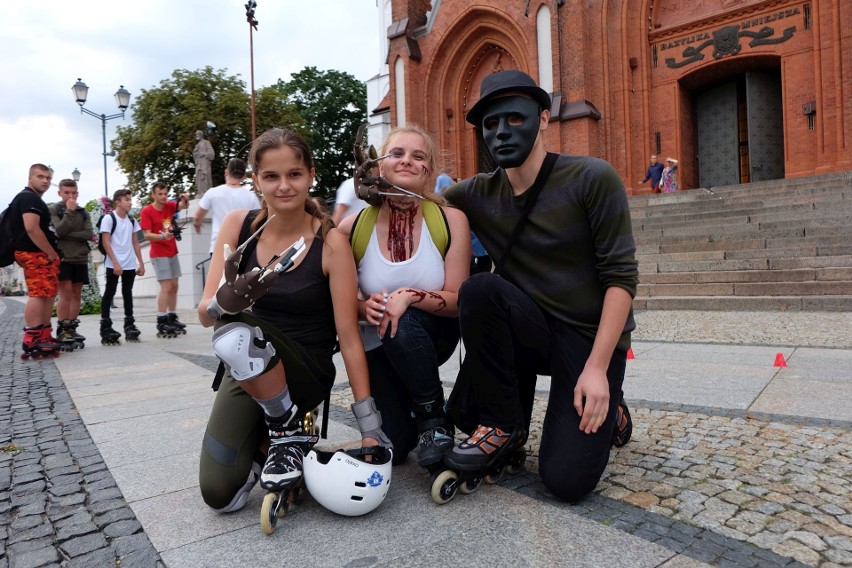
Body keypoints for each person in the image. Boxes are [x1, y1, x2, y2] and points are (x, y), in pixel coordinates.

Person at [440, 70, 638, 503]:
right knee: (479, 290)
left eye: (515, 119)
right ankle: (503, 427)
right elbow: (421, 203)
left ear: (544, 118)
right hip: (530, 327)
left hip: (588, 337)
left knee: (566, 481)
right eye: (490, 125)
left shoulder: (591, 178)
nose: (501, 132)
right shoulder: (476, 192)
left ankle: (615, 411)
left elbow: (621, 279)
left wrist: (598, 369)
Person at [196, 127, 390, 513]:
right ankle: (275, 438)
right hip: (248, 362)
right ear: (256, 180)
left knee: (236, 329)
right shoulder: (238, 226)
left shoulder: (331, 242)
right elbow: (205, 315)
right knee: (222, 496)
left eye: (294, 175)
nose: (283, 186)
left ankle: (285, 432)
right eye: (271, 176)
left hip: (305, 371)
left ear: (311, 175)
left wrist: (370, 427)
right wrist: (223, 299)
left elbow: (349, 339)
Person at [339, 125, 470, 467]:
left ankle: (434, 420)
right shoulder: (351, 228)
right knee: (396, 444)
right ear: (379, 166)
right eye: (396, 154)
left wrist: (409, 295)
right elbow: (337, 301)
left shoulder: (450, 219)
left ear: (430, 169)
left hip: (432, 334)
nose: (407, 161)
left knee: (403, 318)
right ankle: (411, 412)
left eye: (418, 156)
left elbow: (457, 299)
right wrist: (362, 306)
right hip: (378, 346)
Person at [10, 164, 62, 357]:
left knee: (47, 294)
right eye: (40, 177)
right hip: (34, 253)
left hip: (40, 254)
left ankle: (44, 334)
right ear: (30, 178)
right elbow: (32, 228)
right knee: (38, 293)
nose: (45, 181)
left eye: (48, 178)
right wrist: (50, 252)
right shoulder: (28, 198)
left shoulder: (33, 199)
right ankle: (32, 337)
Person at [49, 178, 93, 350]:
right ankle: (62, 327)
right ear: (60, 193)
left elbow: (88, 234)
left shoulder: (84, 212)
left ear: (78, 193)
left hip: (80, 257)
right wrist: (69, 212)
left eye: (73, 193)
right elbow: (58, 231)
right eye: (67, 192)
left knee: (77, 293)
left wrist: (68, 233)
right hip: (64, 257)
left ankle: (72, 327)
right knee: (65, 292)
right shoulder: (54, 209)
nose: (70, 196)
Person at [140, 182, 189, 336]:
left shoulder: (169, 206)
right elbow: (147, 234)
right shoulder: (147, 211)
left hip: (172, 251)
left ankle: (172, 317)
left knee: (174, 285)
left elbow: (183, 206)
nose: (163, 197)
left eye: (165, 194)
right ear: (153, 195)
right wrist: (162, 236)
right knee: (166, 286)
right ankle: (161, 320)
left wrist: (185, 199)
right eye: (159, 194)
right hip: (159, 253)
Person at [100, 189, 146, 343]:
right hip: (114, 263)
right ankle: (105, 326)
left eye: (130, 199)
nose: (130, 202)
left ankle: (129, 324)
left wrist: (141, 263)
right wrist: (115, 263)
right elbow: (106, 242)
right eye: (127, 199)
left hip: (129, 263)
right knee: (110, 292)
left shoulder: (132, 221)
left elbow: (135, 243)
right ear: (118, 202)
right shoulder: (109, 218)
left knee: (128, 293)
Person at [194, 157, 260, 255]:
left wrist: (197, 224)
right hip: (243, 247)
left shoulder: (213, 193)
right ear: (243, 176)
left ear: (226, 172)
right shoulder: (251, 197)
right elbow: (258, 220)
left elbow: (198, 215)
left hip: (219, 245)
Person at [193, 130, 216, 196]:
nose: (196, 135)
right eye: (196, 134)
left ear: (201, 135)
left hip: (205, 164)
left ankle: (206, 192)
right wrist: (196, 154)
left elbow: (212, 153)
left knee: (205, 177)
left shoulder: (206, 142)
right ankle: (200, 192)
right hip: (199, 164)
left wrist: (204, 154)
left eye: (198, 134)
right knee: (199, 178)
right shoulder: (197, 145)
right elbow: (194, 154)